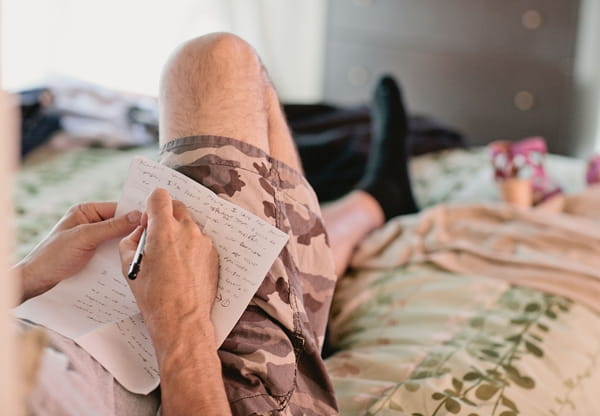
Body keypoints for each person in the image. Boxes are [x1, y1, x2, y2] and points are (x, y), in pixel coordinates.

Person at [15, 32, 418, 415]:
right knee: (215, 61)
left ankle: (374, 203)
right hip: (189, 377)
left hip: (63, 318)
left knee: (207, 64)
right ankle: (376, 200)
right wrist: (181, 323)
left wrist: (26, 276)